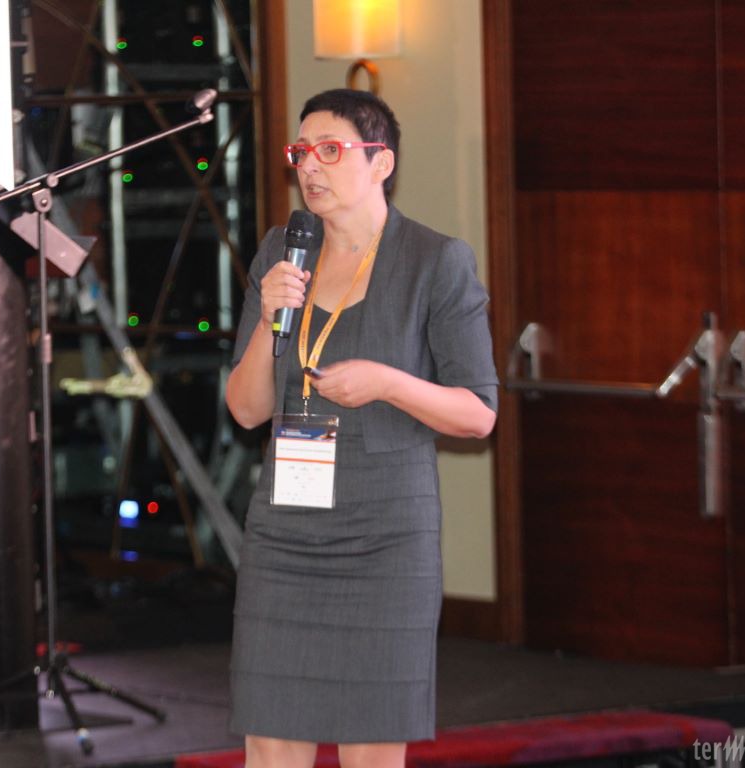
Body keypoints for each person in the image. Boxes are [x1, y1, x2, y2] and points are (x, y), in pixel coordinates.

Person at [224, 88, 499, 768]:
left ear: (381, 162)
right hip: (285, 532)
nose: (309, 167)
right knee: (270, 735)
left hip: (385, 536)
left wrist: (388, 383)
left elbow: (479, 413)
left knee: (371, 742)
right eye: (300, 152)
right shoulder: (282, 253)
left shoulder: (435, 261)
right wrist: (268, 318)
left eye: (330, 150)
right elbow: (247, 409)